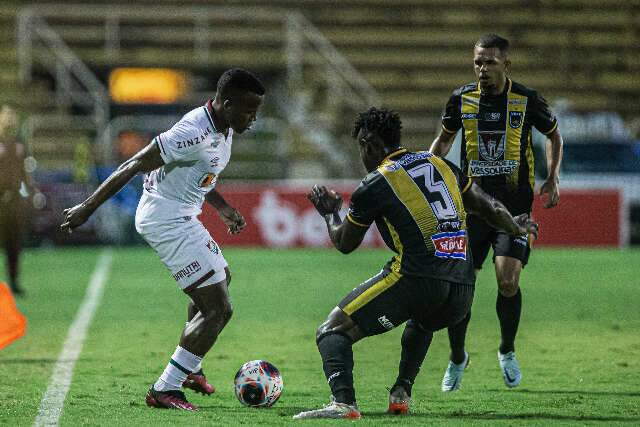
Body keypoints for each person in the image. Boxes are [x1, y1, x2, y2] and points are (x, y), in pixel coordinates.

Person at [294, 107, 538, 419]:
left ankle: (344, 403)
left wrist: (330, 212)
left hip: (418, 279)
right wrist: (516, 228)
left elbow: (345, 243)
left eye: (361, 147)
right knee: (422, 320)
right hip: (463, 290)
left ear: (368, 144)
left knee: (332, 331)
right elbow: (487, 206)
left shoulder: (375, 183)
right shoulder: (439, 163)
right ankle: (401, 392)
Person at [60, 68, 265, 411]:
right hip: (166, 219)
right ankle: (165, 388)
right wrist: (87, 207)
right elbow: (133, 164)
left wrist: (223, 209)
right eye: (249, 111)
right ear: (227, 103)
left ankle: (191, 366)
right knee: (218, 309)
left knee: (220, 281)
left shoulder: (223, 127)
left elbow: (201, 174)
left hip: (183, 214)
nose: (253, 119)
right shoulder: (192, 132)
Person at [429, 34, 563, 391]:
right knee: (460, 286)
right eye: (477, 62)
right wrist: (429, 175)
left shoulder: (527, 100)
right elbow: (443, 141)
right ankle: (458, 357)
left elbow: (553, 135)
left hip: (515, 209)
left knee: (508, 281)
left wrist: (551, 178)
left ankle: (506, 349)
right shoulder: (460, 99)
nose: (482, 69)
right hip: (471, 207)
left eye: (489, 62)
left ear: (506, 63)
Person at [0, 105, 31, 297]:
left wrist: (30, 192)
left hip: (14, 200)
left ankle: (14, 281)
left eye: (13, 116)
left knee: (14, 243)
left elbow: (25, 172)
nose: (10, 119)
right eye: (6, 115)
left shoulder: (20, 143)